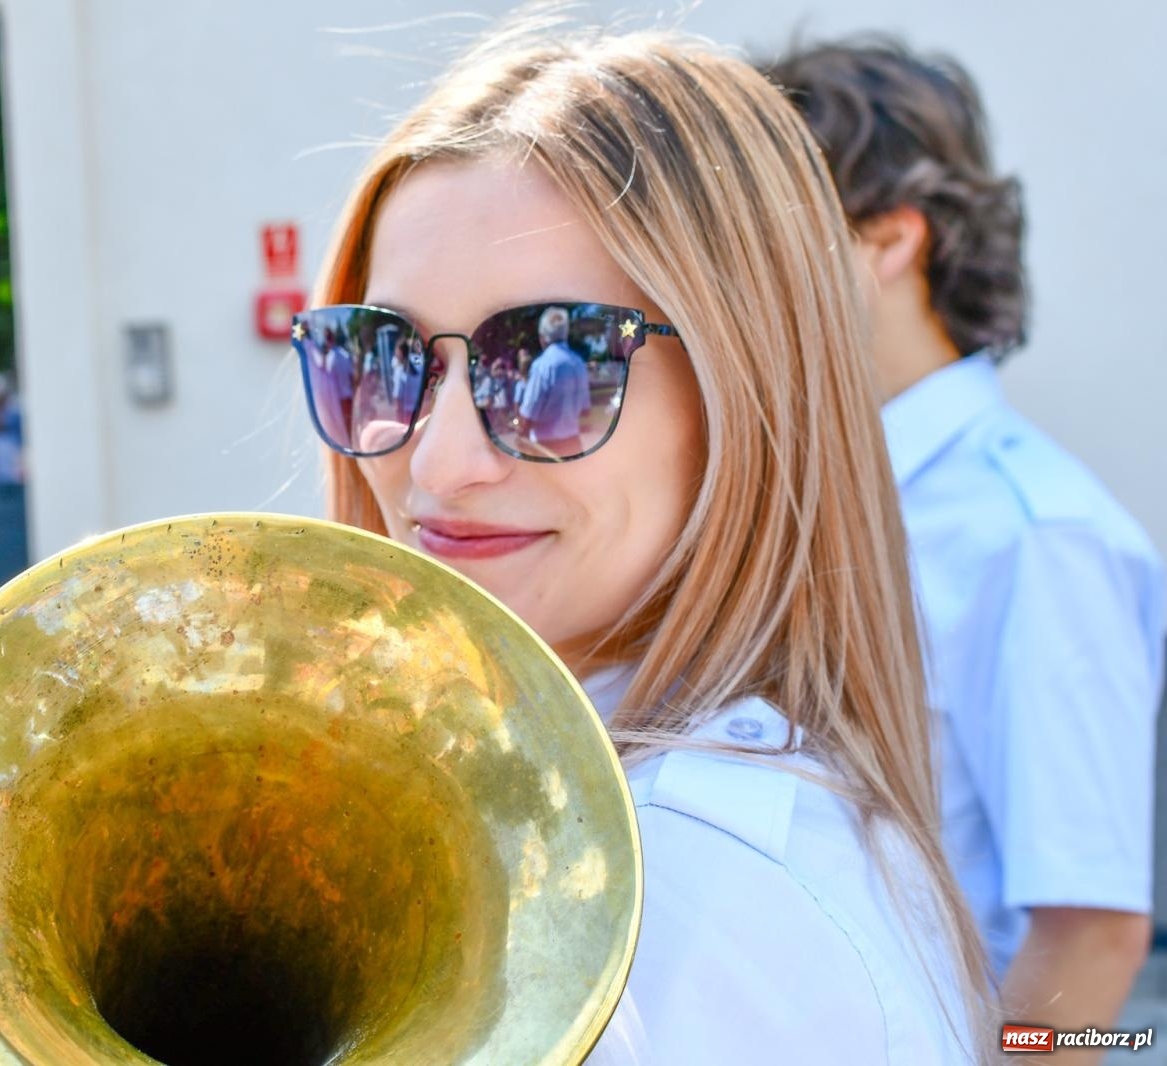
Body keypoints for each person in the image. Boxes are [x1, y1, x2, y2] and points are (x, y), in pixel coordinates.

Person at [293, 23, 991, 1064]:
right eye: (381, 354)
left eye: (552, 365)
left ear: (747, 392)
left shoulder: (671, 905)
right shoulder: (637, 841)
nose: (435, 464)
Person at [763, 38, 1165, 1044]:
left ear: (890, 241)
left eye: (769, 230)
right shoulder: (803, 494)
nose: (733, 274)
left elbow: (1091, 932)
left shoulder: (1037, 538)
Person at [516, 305, 590, 456]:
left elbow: (528, 415)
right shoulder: (578, 362)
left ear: (542, 337)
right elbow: (585, 410)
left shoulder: (542, 365)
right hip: (574, 443)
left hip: (546, 446)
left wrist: (520, 430)